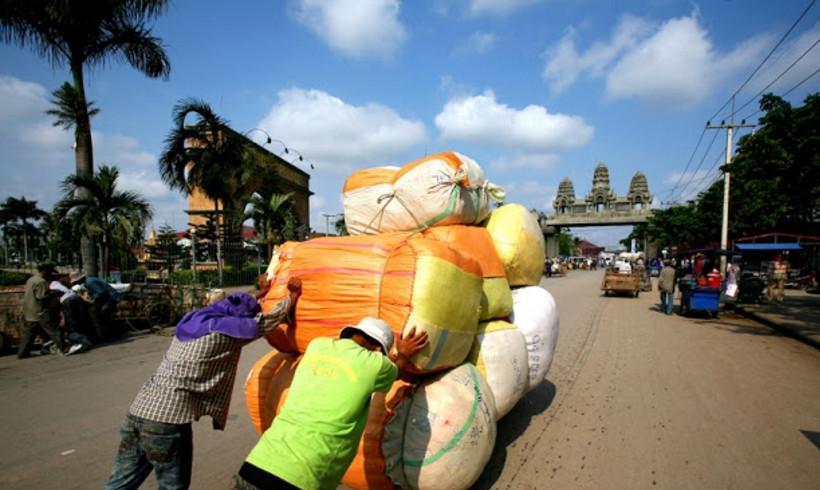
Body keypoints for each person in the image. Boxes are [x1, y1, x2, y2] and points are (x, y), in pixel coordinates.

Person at [103, 277, 302, 490]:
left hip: (137, 413)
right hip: (166, 422)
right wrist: (292, 297)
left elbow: (234, 309)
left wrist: (259, 296)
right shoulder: (225, 334)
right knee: (172, 486)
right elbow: (266, 321)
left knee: (120, 484)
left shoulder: (195, 321)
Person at [235, 318, 429, 490]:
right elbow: (397, 371)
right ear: (377, 349)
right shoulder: (377, 365)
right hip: (302, 478)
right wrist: (403, 354)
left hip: (256, 463)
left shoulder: (317, 346)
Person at [18, 264, 65, 359]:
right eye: (50, 272)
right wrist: (54, 294)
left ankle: (22, 352)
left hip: (30, 310)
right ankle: (64, 348)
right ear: (45, 271)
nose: (51, 274)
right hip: (40, 311)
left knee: (30, 333)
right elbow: (42, 297)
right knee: (52, 330)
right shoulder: (41, 282)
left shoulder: (31, 279)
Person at [71, 272, 122, 341]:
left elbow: (101, 292)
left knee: (103, 313)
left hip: (111, 297)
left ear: (79, 279)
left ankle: (113, 335)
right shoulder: (87, 282)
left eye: (76, 282)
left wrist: (93, 300)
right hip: (107, 298)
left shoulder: (89, 282)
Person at [48, 278, 89, 355]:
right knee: (79, 321)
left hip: (67, 300)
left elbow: (56, 294)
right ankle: (85, 340)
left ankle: (82, 343)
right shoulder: (56, 283)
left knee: (71, 325)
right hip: (75, 297)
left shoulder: (50, 286)